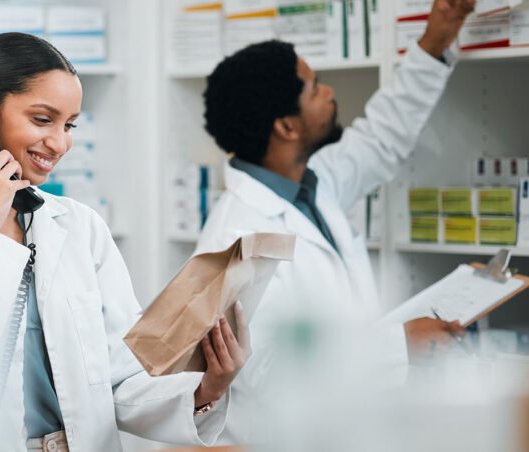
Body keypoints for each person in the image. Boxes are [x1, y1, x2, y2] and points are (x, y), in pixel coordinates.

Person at [0, 32, 248, 451]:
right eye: (42, 119)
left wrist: (204, 390)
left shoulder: (81, 227)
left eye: (69, 125)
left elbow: (121, 378)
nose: (60, 143)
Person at [194, 0, 475, 444]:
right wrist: (398, 347)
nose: (328, 93)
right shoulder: (237, 238)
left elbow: (382, 137)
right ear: (286, 127)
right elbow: (264, 372)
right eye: (314, 87)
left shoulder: (311, 184)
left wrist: (438, 35)